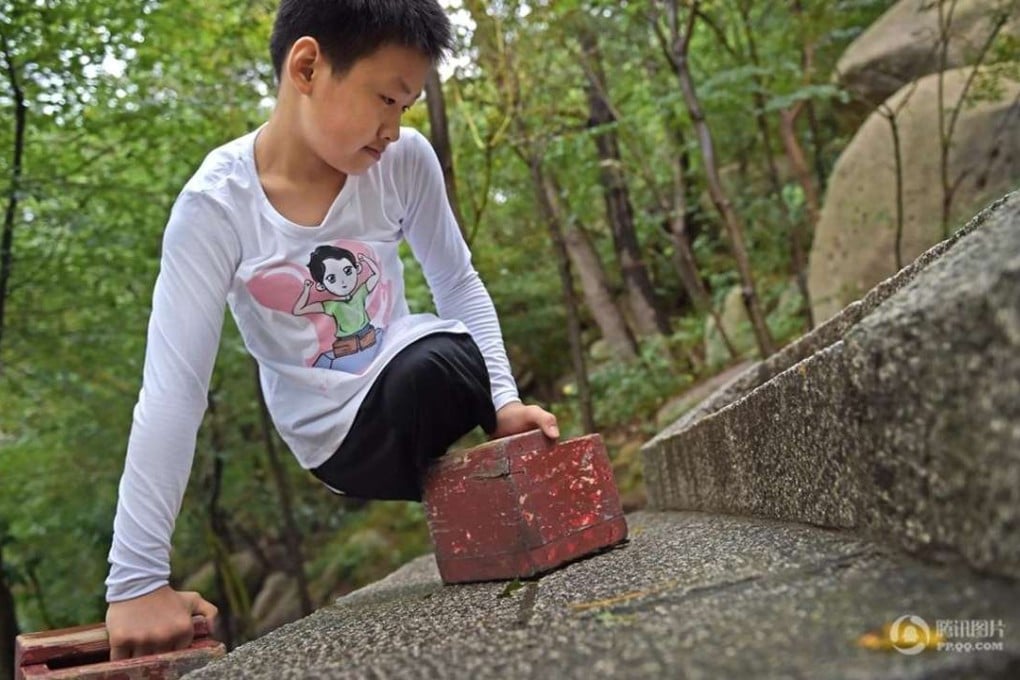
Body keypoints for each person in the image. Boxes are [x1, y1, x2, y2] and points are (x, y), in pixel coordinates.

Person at [104, 0, 558, 660]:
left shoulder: (403, 163)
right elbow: (174, 392)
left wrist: (504, 405)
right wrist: (137, 580)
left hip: (414, 387)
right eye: (386, 99)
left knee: (447, 358)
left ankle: (477, 462)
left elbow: (456, 281)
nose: (394, 130)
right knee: (438, 359)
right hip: (335, 445)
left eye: (406, 108)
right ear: (308, 66)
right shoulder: (217, 207)